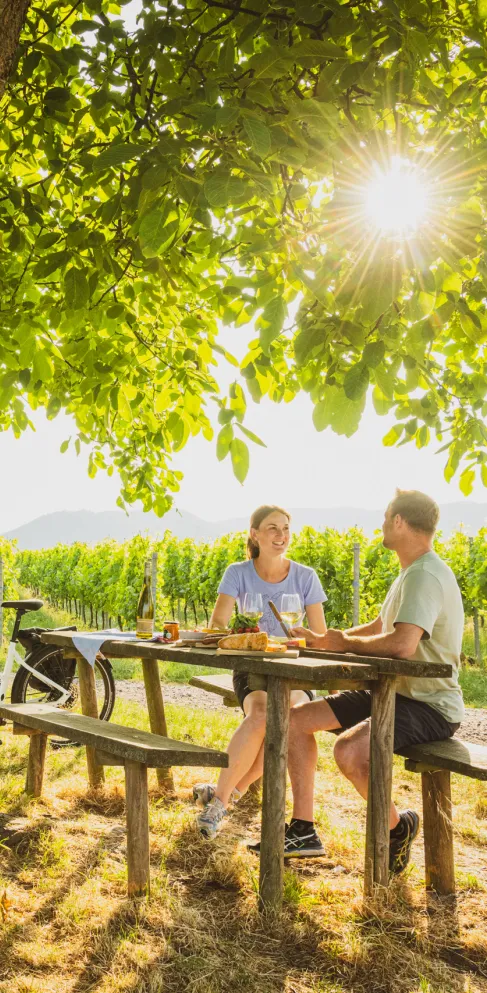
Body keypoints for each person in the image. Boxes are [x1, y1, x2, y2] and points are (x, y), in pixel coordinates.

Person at [249, 490, 465, 870]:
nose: (381, 525)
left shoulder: (425, 574)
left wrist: (343, 643)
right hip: (391, 693)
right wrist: (326, 639)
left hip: (429, 706)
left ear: (399, 521)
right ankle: (303, 829)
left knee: (349, 752)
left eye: (385, 517)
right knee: (295, 721)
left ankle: (398, 828)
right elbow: (381, 626)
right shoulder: (411, 572)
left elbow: (402, 643)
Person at [195, 504, 327, 843]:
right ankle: (222, 801)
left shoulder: (305, 577)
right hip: (252, 665)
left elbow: (320, 635)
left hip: (295, 668)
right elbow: (218, 624)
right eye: (272, 528)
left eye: (285, 528)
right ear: (254, 534)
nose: (281, 535)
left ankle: (222, 798)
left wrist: (301, 637)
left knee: (285, 718)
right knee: (262, 714)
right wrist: (244, 633)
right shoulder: (237, 573)